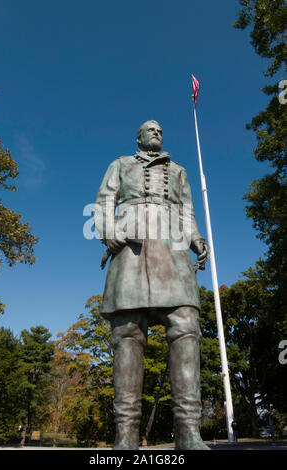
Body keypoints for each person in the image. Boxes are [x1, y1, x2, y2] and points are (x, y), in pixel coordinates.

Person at [94, 120, 209, 450]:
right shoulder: (120, 164)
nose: (157, 132)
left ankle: (188, 432)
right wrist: (109, 232)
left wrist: (197, 241)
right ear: (138, 137)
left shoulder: (179, 171)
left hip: (173, 253)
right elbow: (103, 202)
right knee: (127, 332)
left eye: (160, 129)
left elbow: (187, 212)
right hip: (131, 250)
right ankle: (126, 435)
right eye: (150, 129)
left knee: (186, 326)